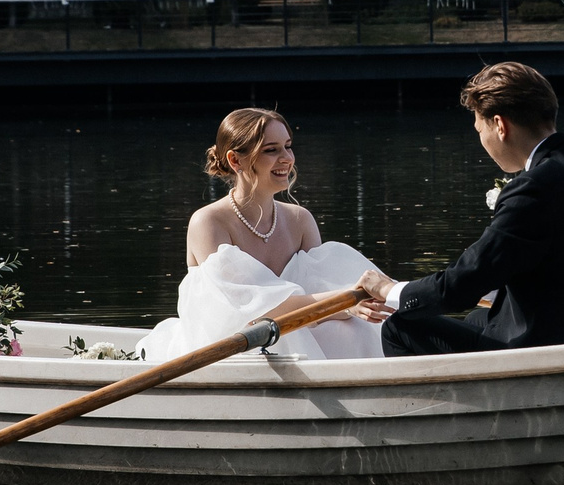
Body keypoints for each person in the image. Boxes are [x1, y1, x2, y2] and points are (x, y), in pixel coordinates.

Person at [354, 62, 564, 356]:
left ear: (499, 125)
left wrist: (390, 290)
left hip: (560, 349)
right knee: (477, 319)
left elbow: (463, 284)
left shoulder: (534, 188)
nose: (482, 141)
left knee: (400, 326)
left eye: (478, 129)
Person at [143, 107, 388, 362]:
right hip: (228, 346)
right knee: (291, 334)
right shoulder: (209, 222)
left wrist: (352, 303)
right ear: (236, 160)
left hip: (297, 336)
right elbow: (253, 311)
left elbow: (318, 295)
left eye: (288, 146)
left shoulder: (299, 220)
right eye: (271, 150)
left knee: (351, 329)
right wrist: (344, 300)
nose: (287, 158)